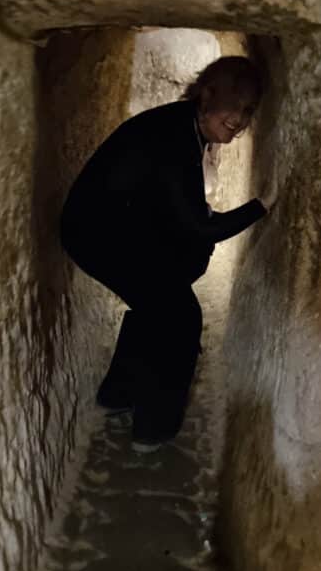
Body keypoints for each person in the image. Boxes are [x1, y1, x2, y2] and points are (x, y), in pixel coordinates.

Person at [60, 56, 272, 453]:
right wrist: (262, 204)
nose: (240, 120)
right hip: (96, 234)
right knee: (179, 317)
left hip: (114, 227)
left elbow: (178, 210)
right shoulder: (175, 137)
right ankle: (152, 428)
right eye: (234, 105)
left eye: (248, 111)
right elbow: (203, 227)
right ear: (207, 95)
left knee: (158, 301)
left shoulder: (184, 126)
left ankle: (118, 394)